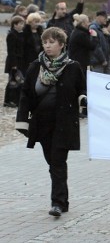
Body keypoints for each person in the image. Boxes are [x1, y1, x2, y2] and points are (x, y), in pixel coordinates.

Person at [15, 27, 87, 217]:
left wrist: (83, 100)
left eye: (51, 42)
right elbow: (26, 95)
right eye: (45, 42)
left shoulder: (73, 67)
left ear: (62, 45)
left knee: (57, 161)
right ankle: (62, 200)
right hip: (42, 123)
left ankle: (58, 202)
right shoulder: (35, 67)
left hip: (63, 123)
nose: (47, 45)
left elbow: (82, 89)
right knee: (52, 161)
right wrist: (22, 120)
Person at [4, 16, 26, 107]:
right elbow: (11, 51)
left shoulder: (20, 33)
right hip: (14, 61)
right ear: (15, 25)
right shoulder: (12, 35)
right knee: (13, 82)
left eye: (22, 24)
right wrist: (14, 64)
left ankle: (16, 100)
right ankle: (9, 100)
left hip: (20, 61)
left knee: (18, 81)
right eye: (20, 24)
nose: (22, 26)